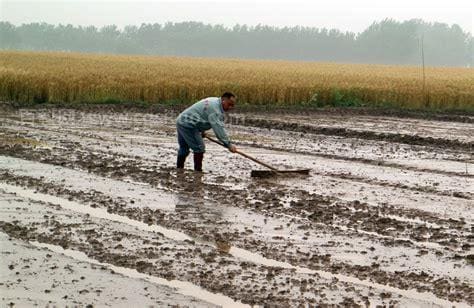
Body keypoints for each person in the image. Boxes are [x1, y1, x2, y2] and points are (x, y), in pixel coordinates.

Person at [176, 92, 237, 171]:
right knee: (199, 148)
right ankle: (198, 172)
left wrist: (202, 131)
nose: (231, 107)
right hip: (189, 125)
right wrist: (229, 144)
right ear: (224, 100)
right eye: (229, 104)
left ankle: (179, 169)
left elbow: (202, 115)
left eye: (232, 105)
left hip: (181, 121)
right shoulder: (215, 110)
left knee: (184, 148)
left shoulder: (214, 101)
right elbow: (219, 129)